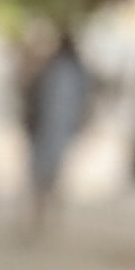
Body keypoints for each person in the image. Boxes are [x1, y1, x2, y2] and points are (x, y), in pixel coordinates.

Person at [16, 13, 92, 231]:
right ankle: (42, 214)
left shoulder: (62, 71)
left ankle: (43, 214)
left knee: (47, 174)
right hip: (51, 129)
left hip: (54, 129)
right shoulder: (64, 71)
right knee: (48, 174)